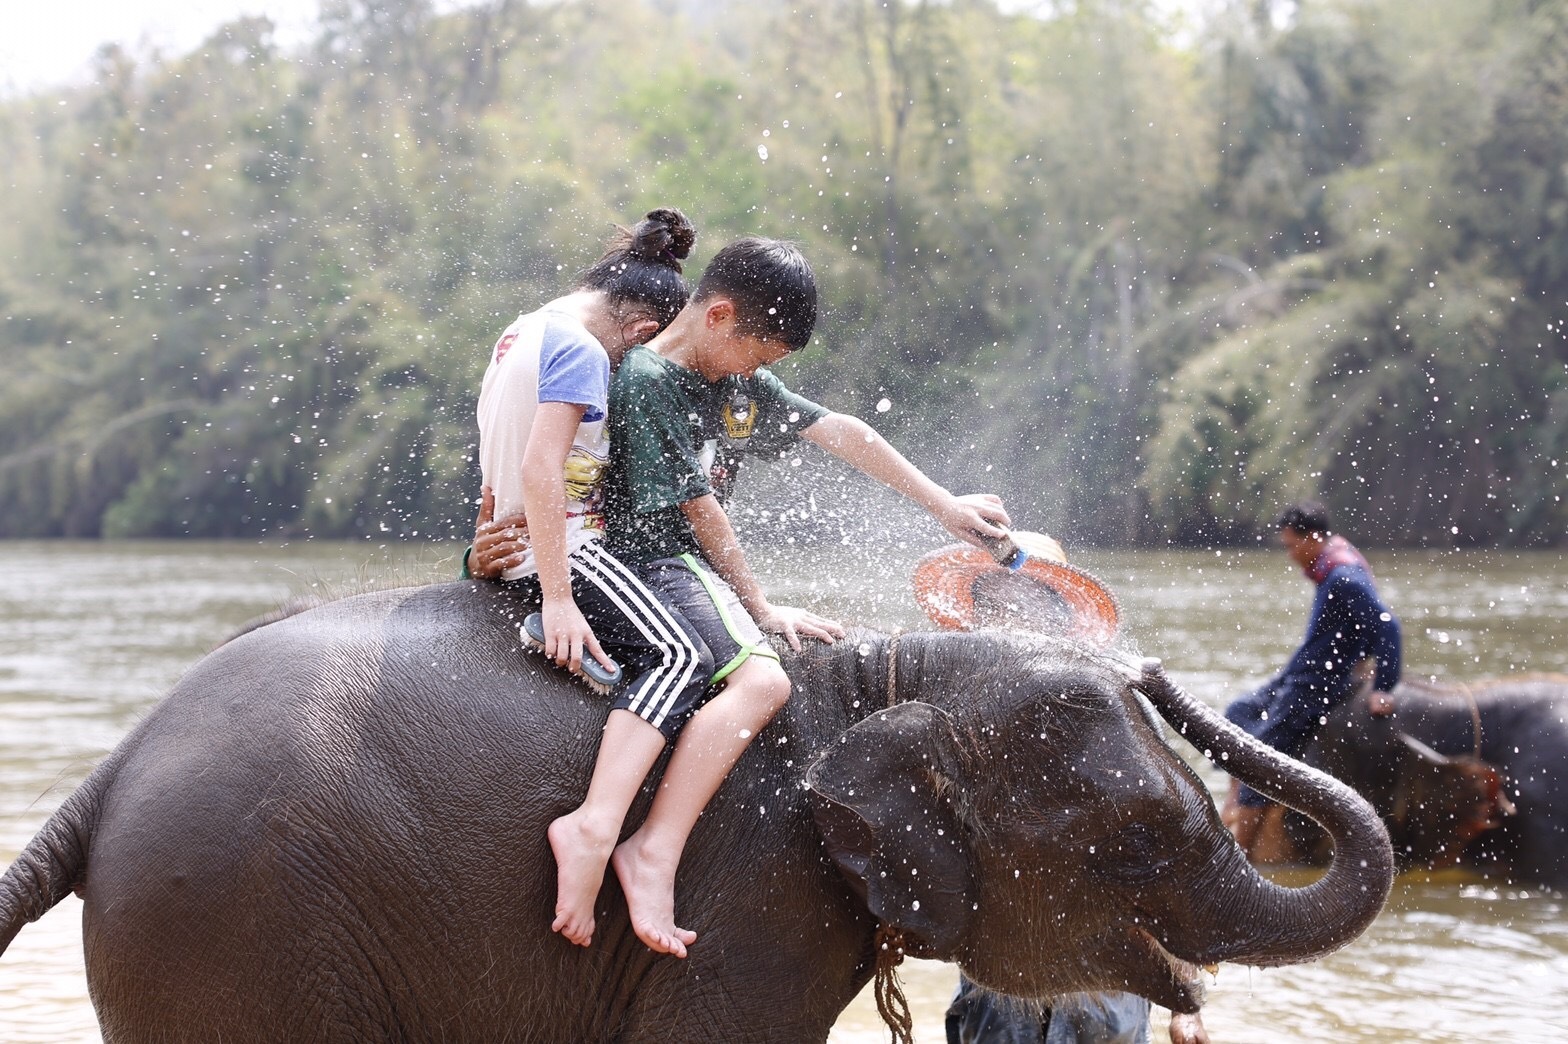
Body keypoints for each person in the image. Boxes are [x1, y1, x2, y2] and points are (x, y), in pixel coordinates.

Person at [478, 236, 1011, 956]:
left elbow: (838, 430)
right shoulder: (646, 379)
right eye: (758, 356)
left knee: (766, 674)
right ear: (720, 316)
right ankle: (644, 845)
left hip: (684, 567)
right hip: (655, 564)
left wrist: (942, 504)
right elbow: (699, 510)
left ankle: (647, 845)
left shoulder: (725, 380)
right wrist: (760, 607)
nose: (759, 374)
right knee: (761, 678)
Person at [471, 207, 716, 957]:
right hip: (566, 553)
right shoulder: (583, 351)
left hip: (510, 546)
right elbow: (542, 466)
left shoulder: (522, 329)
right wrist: (555, 597)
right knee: (684, 659)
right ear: (641, 333)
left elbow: (503, 461)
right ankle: (598, 828)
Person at [1221, 499, 1403, 855]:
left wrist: (1383, 685)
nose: (1289, 555)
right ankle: (1233, 805)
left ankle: (1239, 858)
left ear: (1313, 538)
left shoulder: (1344, 577)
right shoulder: (1331, 563)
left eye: (1291, 545)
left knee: (1260, 757)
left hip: (1319, 683)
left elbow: (1387, 627)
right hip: (1303, 668)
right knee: (1239, 710)